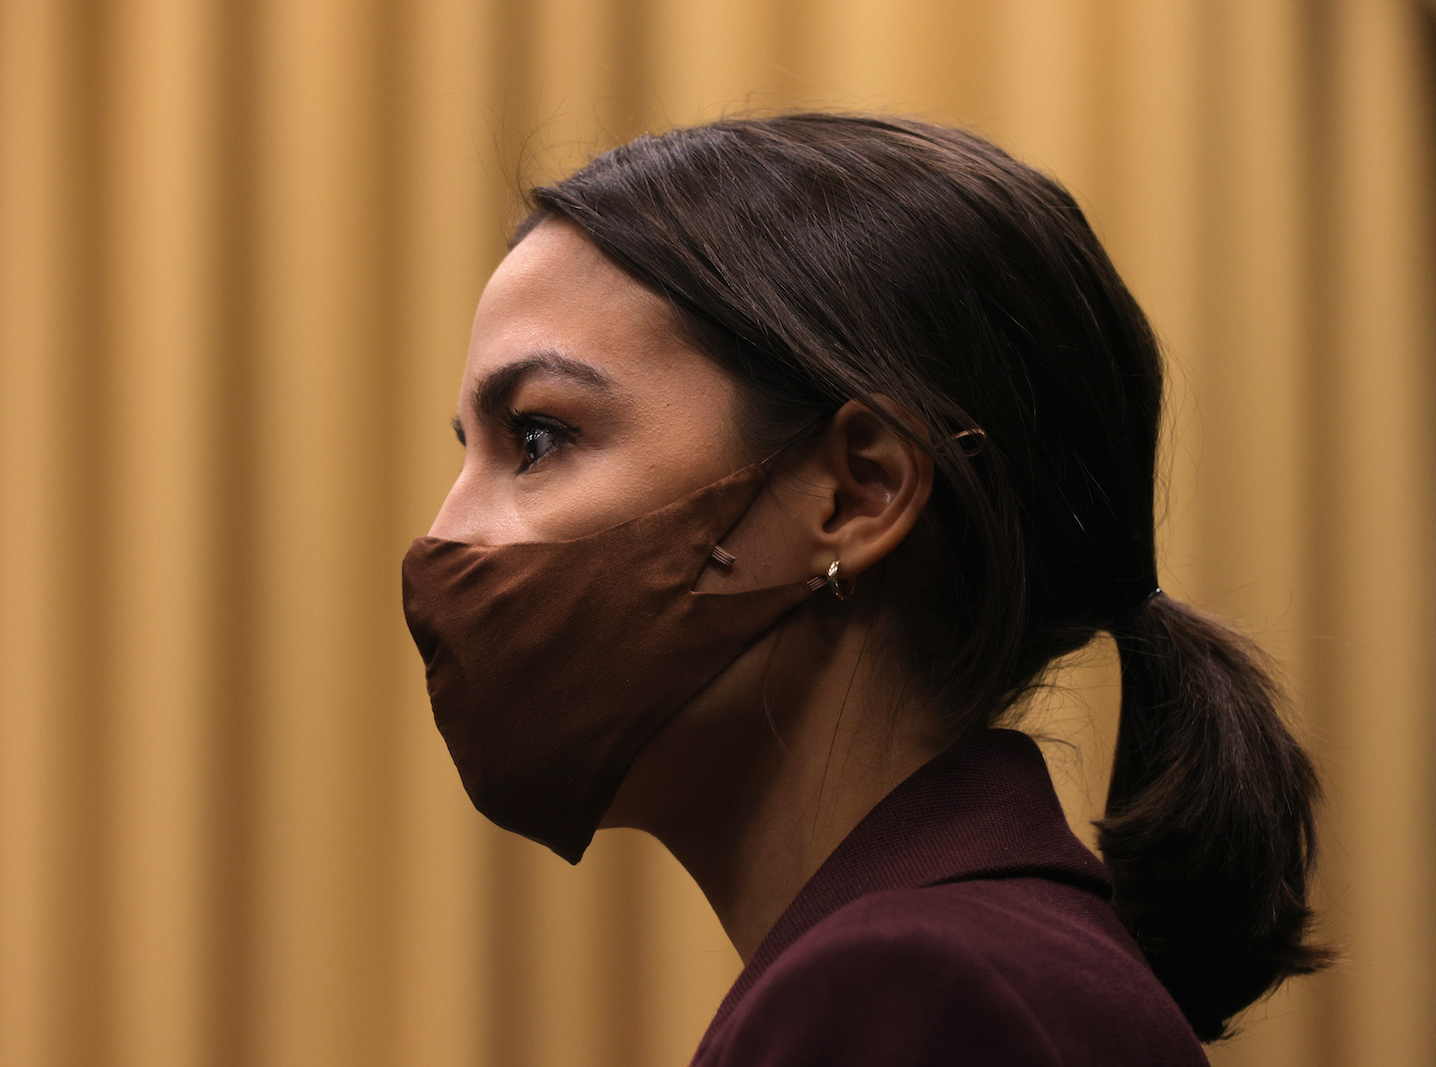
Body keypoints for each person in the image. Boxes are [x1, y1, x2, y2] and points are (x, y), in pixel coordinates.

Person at [401, 113, 1330, 1065]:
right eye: (468, 450)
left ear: (857, 493)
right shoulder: (983, 958)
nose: (442, 538)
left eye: (539, 437)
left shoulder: (908, 995)